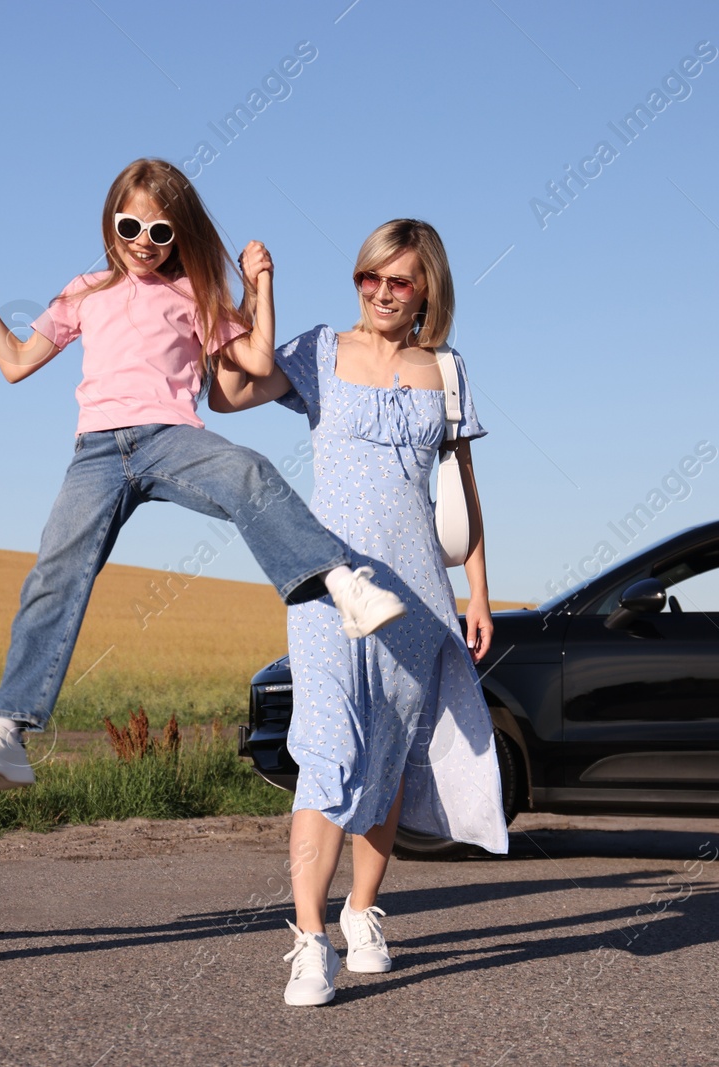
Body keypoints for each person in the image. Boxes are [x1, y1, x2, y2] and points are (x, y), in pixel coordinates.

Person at [0, 158, 407, 790]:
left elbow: (256, 359)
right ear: (111, 220)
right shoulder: (83, 290)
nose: (142, 242)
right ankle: (6, 731)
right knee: (56, 570)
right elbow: (16, 362)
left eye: (160, 233)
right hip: (97, 453)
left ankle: (341, 582)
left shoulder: (194, 294)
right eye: (129, 224)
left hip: (170, 438)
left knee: (250, 472)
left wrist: (260, 286)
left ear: (178, 237)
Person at [209, 219, 509, 1006]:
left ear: (426, 290)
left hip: (418, 595)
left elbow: (463, 490)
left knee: (387, 758)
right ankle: (310, 939)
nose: (380, 292)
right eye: (368, 278)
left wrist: (478, 590)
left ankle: (364, 910)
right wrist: (255, 295)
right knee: (328, 750)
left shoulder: (445, 372)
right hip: (328, 587)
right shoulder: (319, 351)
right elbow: (228, 392)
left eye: (398, 281)